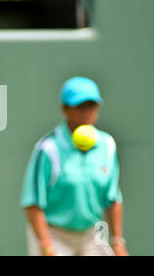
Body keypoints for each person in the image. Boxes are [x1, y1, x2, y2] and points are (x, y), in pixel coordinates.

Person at [20, 76, 129, 256]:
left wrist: (118, 243)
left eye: (91, 105)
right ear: (65, 109)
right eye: (79, 106)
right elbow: (33, 203)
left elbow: (113, 199)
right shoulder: (48, 148)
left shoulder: (107, 145)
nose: (86, 111)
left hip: (91, 234)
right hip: (53, 234)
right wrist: (46, 245)